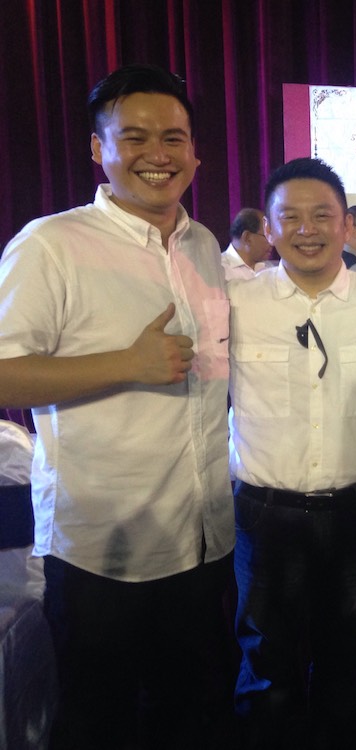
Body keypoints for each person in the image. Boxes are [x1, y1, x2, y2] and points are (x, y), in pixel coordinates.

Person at [0, 64, 233, 749]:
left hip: (200, 535)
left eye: (173, 137)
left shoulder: (204, 244)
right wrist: (126, 365)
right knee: (99, 722)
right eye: (133, 137)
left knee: (186, 715)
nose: (157, 154)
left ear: (194, 153)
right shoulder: (52, 245)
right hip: (105, 550)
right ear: (98, 150)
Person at [228, 157, 356, 748]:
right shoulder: (236, 305)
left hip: (354, 514)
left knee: (343, 659)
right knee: (265, 663)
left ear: (349, 225)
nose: (307, 229)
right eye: (290, 216)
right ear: (269, 228)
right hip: (264, 515)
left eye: (323, 215)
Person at [223, 207, 272, 280]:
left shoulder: (270, 269)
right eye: (267, 237)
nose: (272, 243)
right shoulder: (219, 270)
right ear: (247, 237)